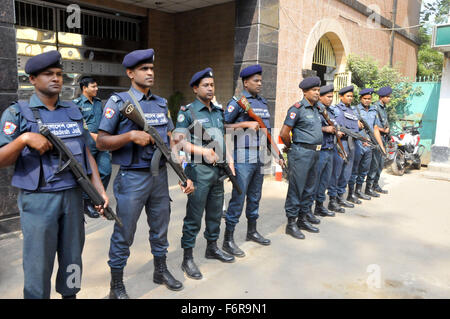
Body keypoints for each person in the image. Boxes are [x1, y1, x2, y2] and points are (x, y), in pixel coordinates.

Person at [0, 50, 108, 299]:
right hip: (39, 200)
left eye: (59, 74)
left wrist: (99, 189)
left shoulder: (72, 111)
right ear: (32, 80)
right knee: (38, 264)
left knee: (73, 259)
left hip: (72, 197)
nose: (56, 79)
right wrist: (24, 139)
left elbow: (87, 153)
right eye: (48, 74)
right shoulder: (17, 113)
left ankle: (71, 295)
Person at [96, 49, 194, 298]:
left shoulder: (161, 103)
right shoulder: (118, 103)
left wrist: (183, 173)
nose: (150, 73)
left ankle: (160, 270)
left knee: (160, 227)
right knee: (124, 231)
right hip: (132, 178)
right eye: (144, 69)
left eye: (151, 68)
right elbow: (101, 142)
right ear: (130, 73)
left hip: (159, 176)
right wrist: (130, 136)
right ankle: (116, 284)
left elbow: (172, 141)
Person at [173, 67, 235, 280]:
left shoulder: (218, 111)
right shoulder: (188, 112)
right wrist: (202, 151)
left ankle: (212, 247)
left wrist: (231, 160)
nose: (210, 89)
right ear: (195, 88)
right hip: (198, 171)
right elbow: (178, 141)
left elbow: (223, 139)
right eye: (205, 85)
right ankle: (187, 258)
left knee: (216, 212)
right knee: (194, 216)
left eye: (212, 85)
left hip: (218, 171)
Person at [222, 64, 274, 257]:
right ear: (246, 82)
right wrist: (243, 124)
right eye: (256, 81)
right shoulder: (237, 102)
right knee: (239, 197)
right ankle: (228, 239)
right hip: (243, 155)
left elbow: (266, 129)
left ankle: (252, 231)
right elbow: (223, 125)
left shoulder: (262, 102)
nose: (260, 83)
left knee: (255, 195)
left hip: (261, 154)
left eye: (261, 80)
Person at [280, 76, 323, 240]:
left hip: (314, 153)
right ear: (305, 92)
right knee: (296, 188)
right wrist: (291, 148)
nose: (317, 93)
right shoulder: (297, 109)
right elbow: (284, 133)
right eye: (314, 90)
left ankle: (303, 219)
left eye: (318, 90)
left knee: (309, 187)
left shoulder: (317, 109)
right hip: (301, 152)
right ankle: (291, 223)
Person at [73, 76, 112, 218]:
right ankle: (87, 202)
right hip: (87, 144)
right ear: (84, 88)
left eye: (97, 86)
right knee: (87, 174)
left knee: (106, 171)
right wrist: (93, 136)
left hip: (101, 143)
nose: (97, 89)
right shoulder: (77, 104)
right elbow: (81, 125)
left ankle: (98, 199)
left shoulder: (98, 103)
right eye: (93, 87)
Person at [327, 86, 361, 213]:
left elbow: (356, 128)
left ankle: (341, 196)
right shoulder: (335, 109)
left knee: (347, 171)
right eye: (348, 96)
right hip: (341, 143)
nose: (350, 98)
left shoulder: (353, 111)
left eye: (352, 96)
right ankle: (332, 199)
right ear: (341, 97)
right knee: (337, 171)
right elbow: (332, 123)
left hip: (352, 143)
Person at [347, 88, 380, 203]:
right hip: (358, 143)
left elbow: (375, 127)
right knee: (354, 170)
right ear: (361, 99)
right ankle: (350, 194)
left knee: (364, 169)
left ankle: (359, 191)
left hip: (369, 144)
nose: (367, 101)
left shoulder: (373, 110)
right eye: (365, 98)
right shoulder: (354, 110)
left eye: (369, 99)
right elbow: (350, 127)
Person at [312, 85, 340, 218]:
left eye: (331, 96)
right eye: (328, 96)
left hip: (330, 148)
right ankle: (307, 210)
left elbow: (335, 125)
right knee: (314, 180)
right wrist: (325, 129)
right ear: (321, 97)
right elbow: (310, 127)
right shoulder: (316, 110)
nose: (330, 99)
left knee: (324, 180)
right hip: (319, 150)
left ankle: (319, 206)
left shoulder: (331, 111)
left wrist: (336, 130)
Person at [367, 86, 392, 194]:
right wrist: (384, 130)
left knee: (380, 164)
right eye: (388, 97)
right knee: (375, 164)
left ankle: (375, 185)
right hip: (377, 139)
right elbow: (373, 126)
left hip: (384, 138)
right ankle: (369, 187)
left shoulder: (383, 108)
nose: (389, 99)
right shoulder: (375, 107)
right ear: (382, 97)